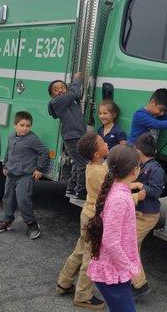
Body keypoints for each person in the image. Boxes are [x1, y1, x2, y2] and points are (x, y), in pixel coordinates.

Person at [86, 145, 141, 312]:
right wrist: (130, 267)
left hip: (115, 269)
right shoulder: (120, 199)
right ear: (134, 171)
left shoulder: (117, 190)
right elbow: (111, 242)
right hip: (113, 271)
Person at [57, 132, 109, 310]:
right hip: (95, 216)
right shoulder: (98, 172)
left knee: (80, 249)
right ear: (96, 153)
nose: (107, 144)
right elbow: (109, 195)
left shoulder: (93, 166)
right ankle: (83, 295)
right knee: (90, 256)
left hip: (87, 213)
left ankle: (64, 282)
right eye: (103, 143)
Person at [0, 111, 49, 239]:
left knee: (23, 199)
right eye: (22, 125)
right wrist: (5, 165)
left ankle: (32, 224)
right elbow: (8, 151)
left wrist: (40, 169)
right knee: (8, 198)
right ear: (15, 125)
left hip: (25, 175)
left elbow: (44, 152)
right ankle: (7, 220)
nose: (25, 128)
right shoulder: (11, 137)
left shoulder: (32, 139)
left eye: (28, 126)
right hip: (11, 174)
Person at [130, 133, 166, 299]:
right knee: (132, 246)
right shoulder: (143, 165)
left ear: (138, 150)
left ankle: (140, 284)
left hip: (148, 215)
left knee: (129, 246)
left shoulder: (156, 169)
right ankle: (133, 281)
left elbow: (157, 191)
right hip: (140, 213)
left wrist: (139, 184)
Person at [48, 72, 87, 200]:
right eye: (56, 89)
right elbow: (75, 92)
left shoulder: (67, 101)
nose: (59, 90)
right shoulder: (57, 101)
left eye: (62, 88)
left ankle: (71, 188)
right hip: (72, 138)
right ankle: (81, 192)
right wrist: (77, 80)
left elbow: (74, 95)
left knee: (77, 163)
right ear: (52, 95)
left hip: (77, 135)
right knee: (82, 164)